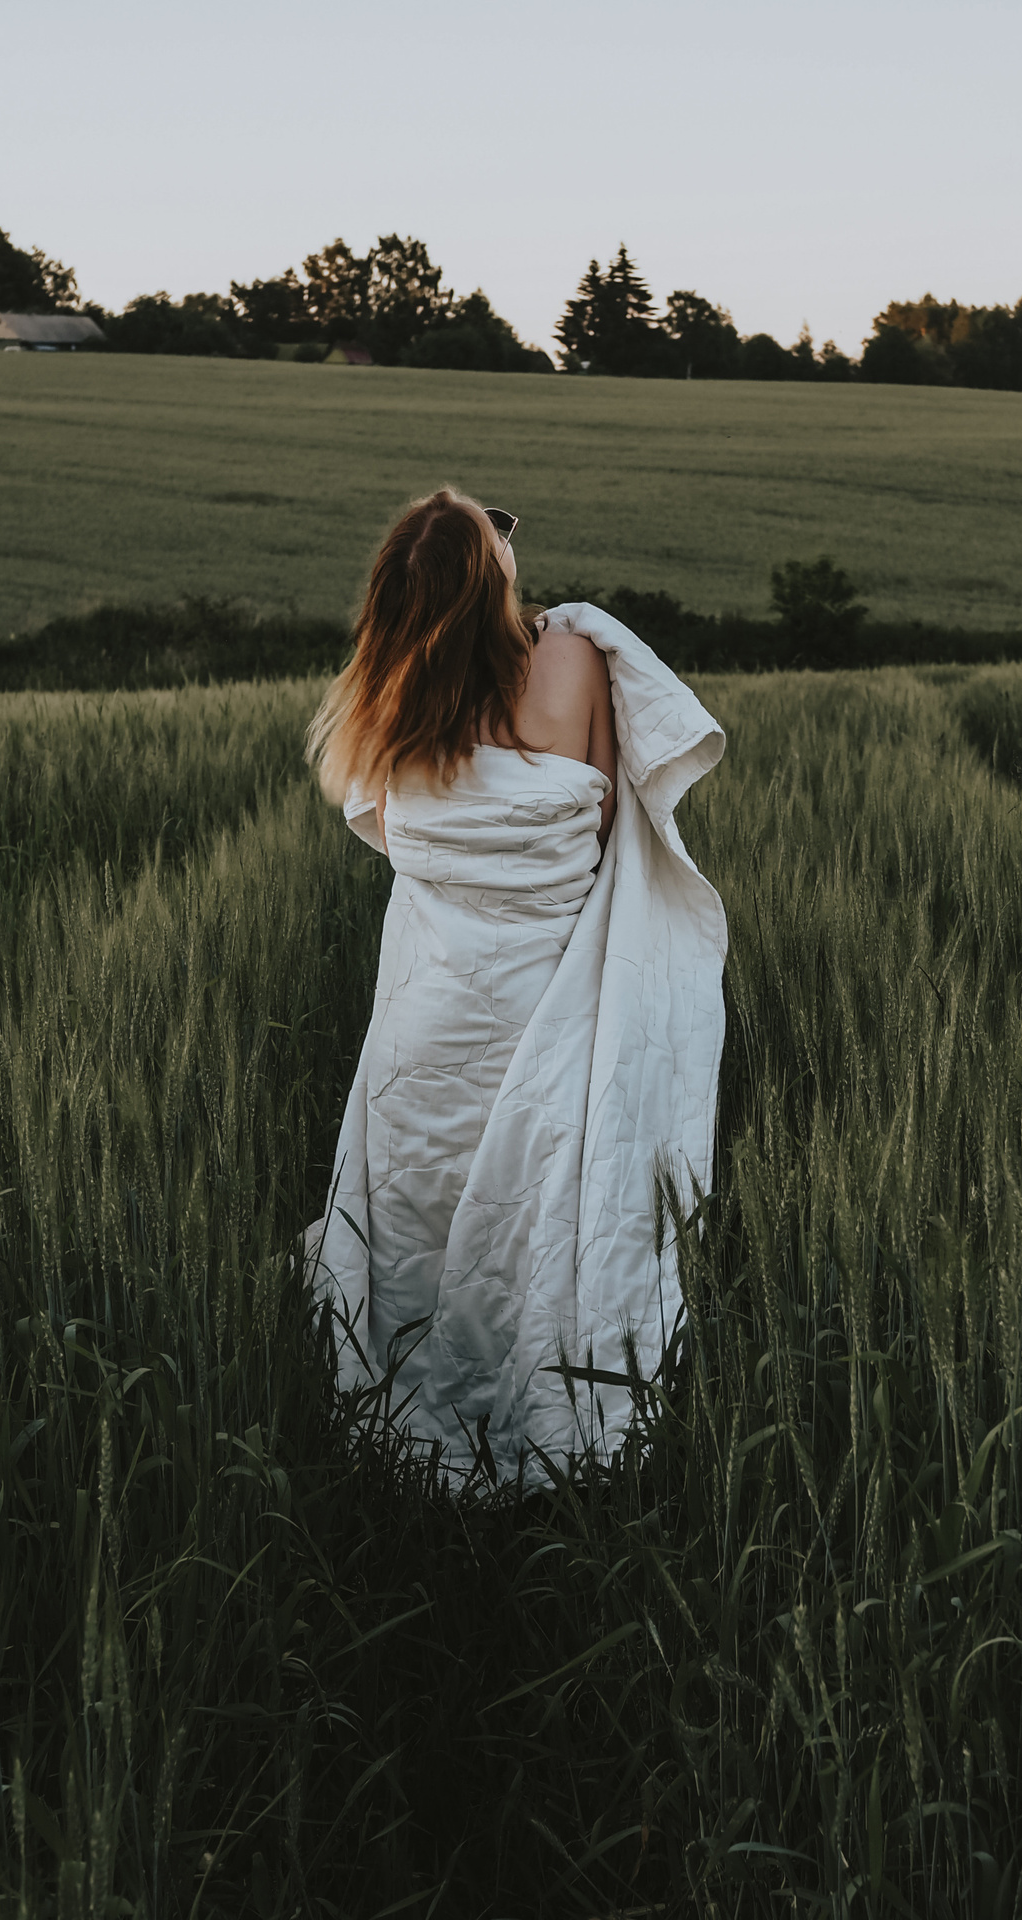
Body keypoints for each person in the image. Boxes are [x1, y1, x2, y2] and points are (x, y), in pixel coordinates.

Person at [304, 489, 727, 1490]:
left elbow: (398, 839)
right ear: (489, 574)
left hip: (428, 1014)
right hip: (548, 1004)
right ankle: (527, 1413)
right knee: (534, 1218)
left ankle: (393, 1411)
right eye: (499, 530)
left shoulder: (391, 705)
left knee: (418, 1210)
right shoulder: (573, 658)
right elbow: (617, 821)